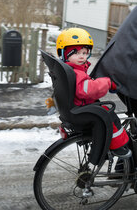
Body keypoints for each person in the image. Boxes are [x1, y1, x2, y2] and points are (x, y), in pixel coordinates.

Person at [54, 27, 131, 158]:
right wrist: (106, 82)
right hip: (82, 109)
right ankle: (118, 147)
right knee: (110, 115)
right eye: (76, 53)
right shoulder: (76, 72)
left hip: (75, 108)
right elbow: (86, 90)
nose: (82, 56)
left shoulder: (70, 69)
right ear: (65, 54)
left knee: (104, 109)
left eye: (85, 52)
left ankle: (106, 145)